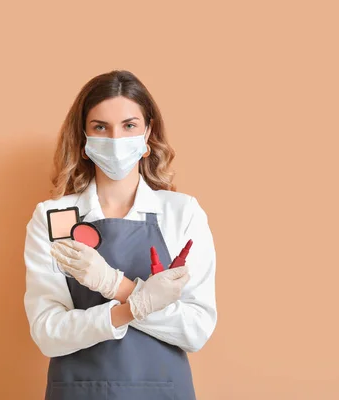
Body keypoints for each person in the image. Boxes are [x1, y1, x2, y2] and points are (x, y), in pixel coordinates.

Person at [23, 70, 217, 400]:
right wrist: (132, 307)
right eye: (101, 127)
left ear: (148, 133)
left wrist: (116, 286)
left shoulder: (182, 213)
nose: (115, 140)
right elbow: (47, 333)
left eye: (129, 126)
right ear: (84, 136)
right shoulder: (55, 217)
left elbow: (195, 330)